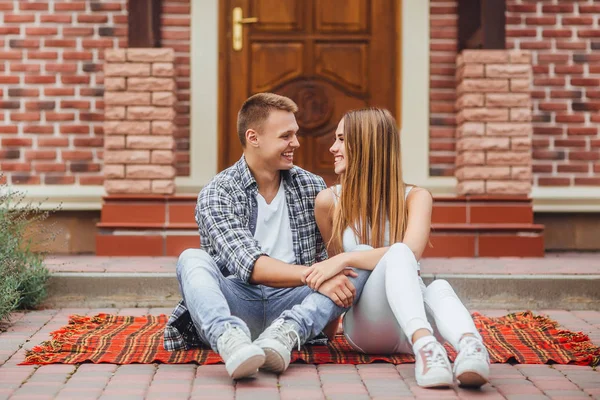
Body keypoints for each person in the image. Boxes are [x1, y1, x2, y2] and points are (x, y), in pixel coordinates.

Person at [163, 93, 371, 380]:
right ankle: (230, 340)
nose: (296, 143)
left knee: (359, 256)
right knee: (190, 258)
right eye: (286, 136)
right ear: (254, 137)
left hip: (295, 303)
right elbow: (252, 267)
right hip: (237, 302)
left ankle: (286, 335)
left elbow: (328, 257)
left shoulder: (311, 186)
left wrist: (331, 280)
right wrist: (319, 275)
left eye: (295, 134)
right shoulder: (218, 191)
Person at [303, 108, 490, 388]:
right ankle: (426, 344)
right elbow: (344, 280)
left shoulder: (416, 197)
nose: (333, 148)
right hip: (368, 327)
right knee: (399, 253)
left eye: (341, 139)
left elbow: (411, 252)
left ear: (366, 144)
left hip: (409, 324)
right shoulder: (328, 202)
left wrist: (345, 258)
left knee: (437, 287)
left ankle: (471, 348)